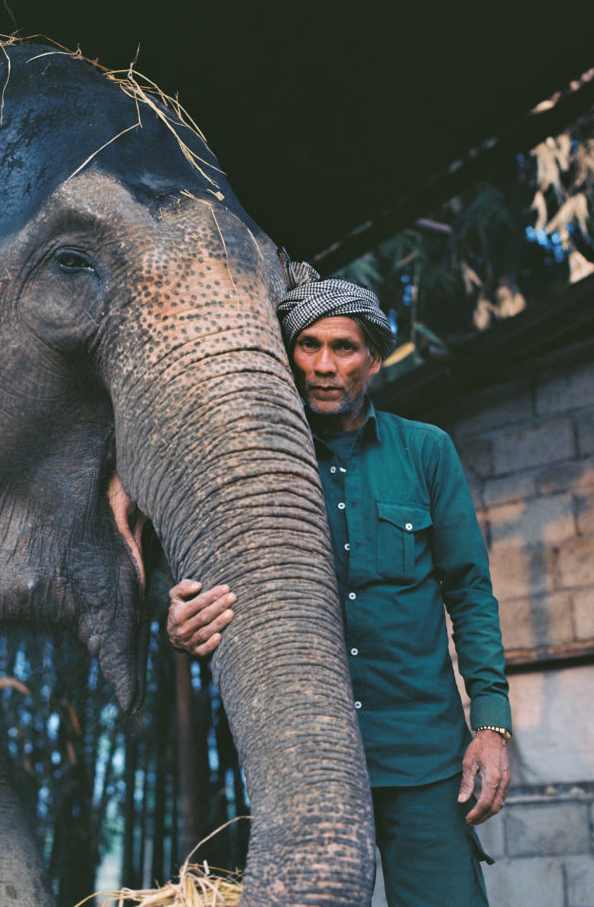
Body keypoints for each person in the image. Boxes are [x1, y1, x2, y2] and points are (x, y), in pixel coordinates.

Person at [167, 264, 512, 907]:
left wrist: (491, 725)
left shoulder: (425, 452)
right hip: (305, 762)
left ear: (374, 360)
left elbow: (470, 592)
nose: (325, 365)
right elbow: (202, 583)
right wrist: (182, 618)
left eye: (344, 347)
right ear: (289, 356)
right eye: (309, 345)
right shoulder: (257, 461)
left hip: (424, 760)